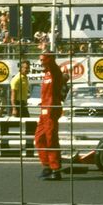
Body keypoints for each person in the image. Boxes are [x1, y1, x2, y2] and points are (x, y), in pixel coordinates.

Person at [35, 52, 64, 181]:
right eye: (40, 59)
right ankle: (47, 165)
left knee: (50, 138)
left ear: (49, 59)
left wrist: (45, 50)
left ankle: (55, 169)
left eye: (43, 59)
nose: (41, 61)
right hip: (44, 109)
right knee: (39, 138)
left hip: (52, 109)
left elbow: (51, 63)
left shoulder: (55, 71)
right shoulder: (46, 73)